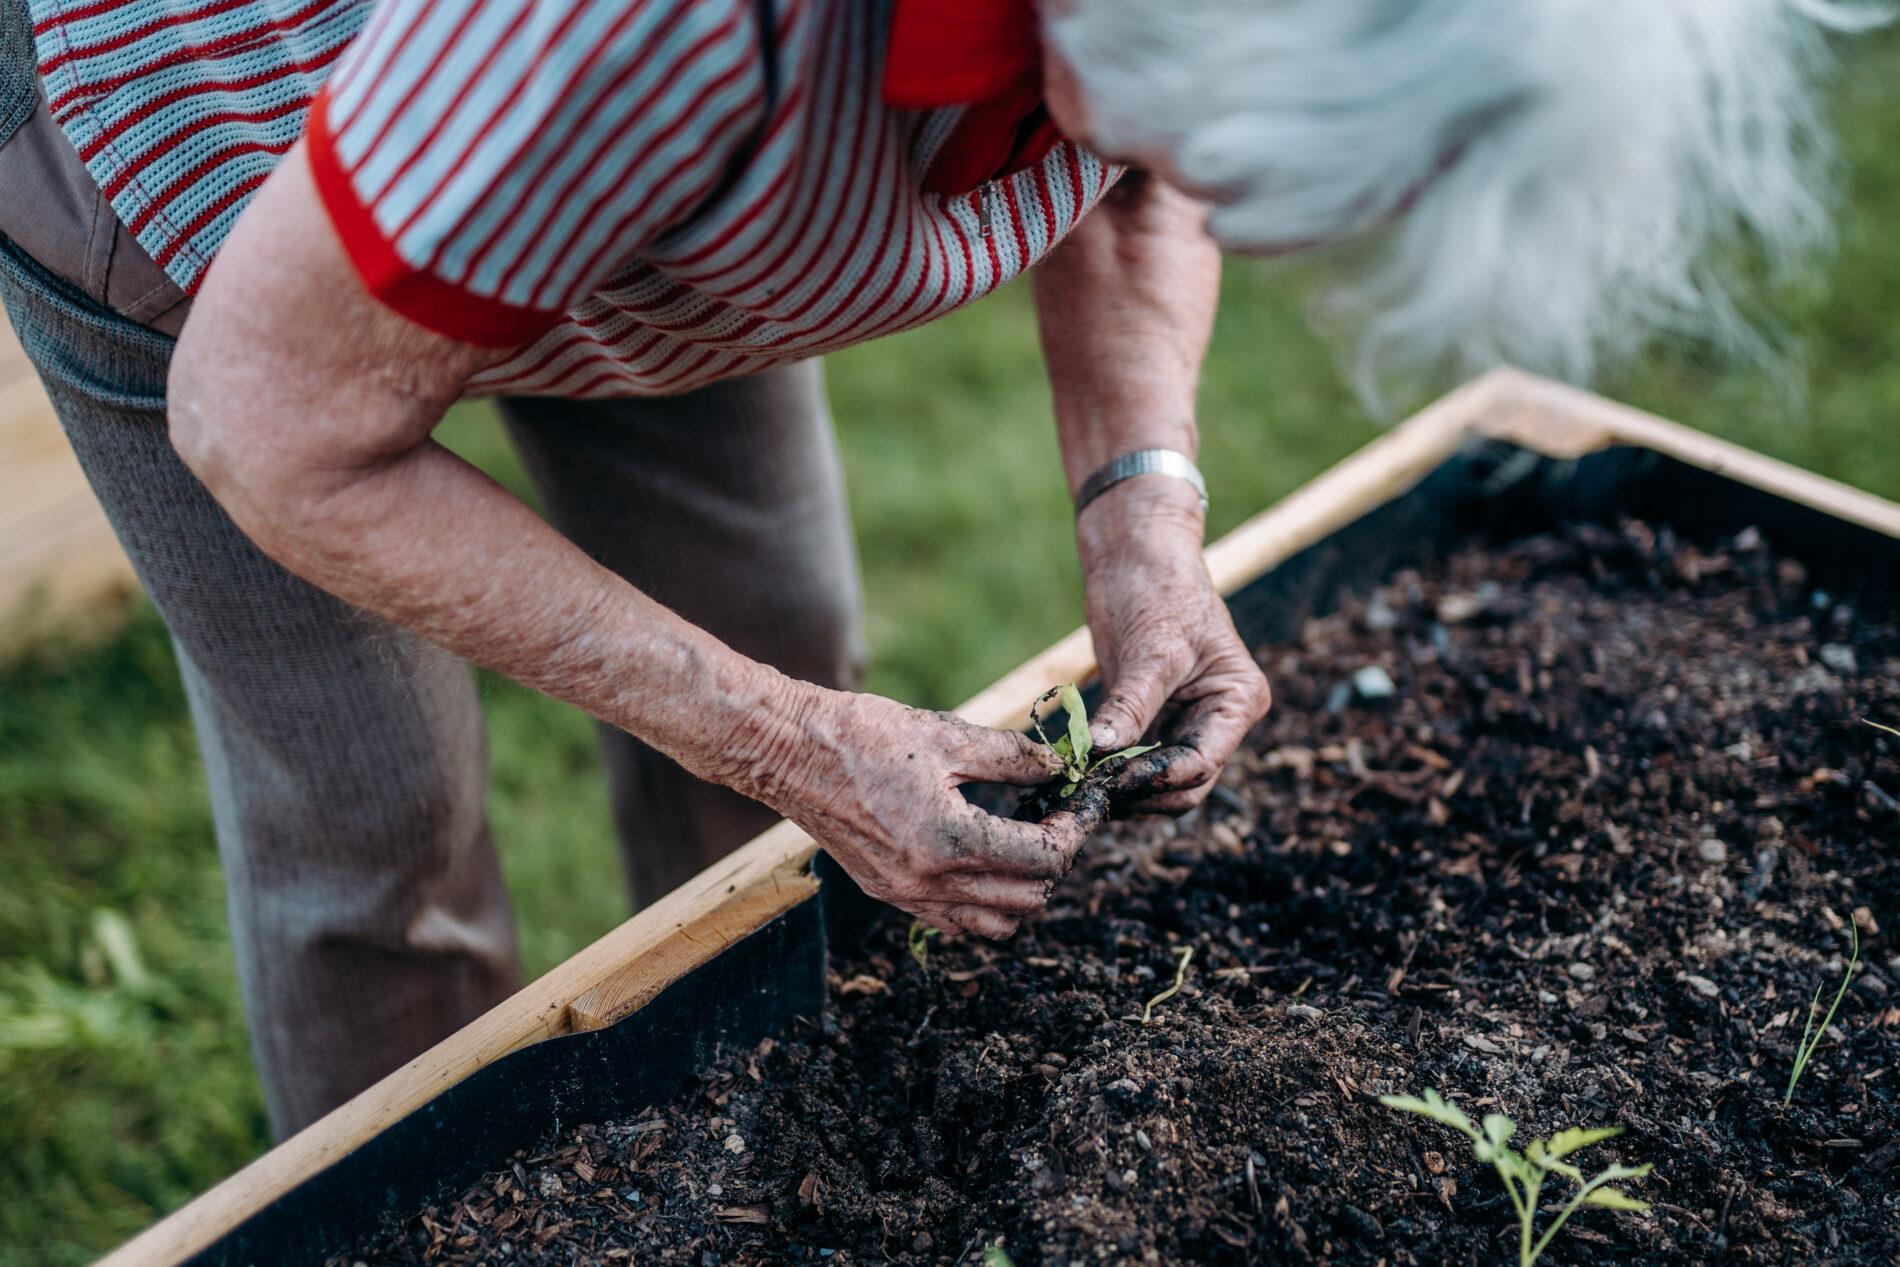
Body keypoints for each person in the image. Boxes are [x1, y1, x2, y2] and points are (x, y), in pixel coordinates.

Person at [0, 0, 1867, 1136]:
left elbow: (1143, 167)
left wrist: (1145, 521)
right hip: (215, 191)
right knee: (373, 824)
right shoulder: (670, 33)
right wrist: (799, 747)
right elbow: (281, 428)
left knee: (777, 624)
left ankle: (743, 1104)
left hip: (610, 199)